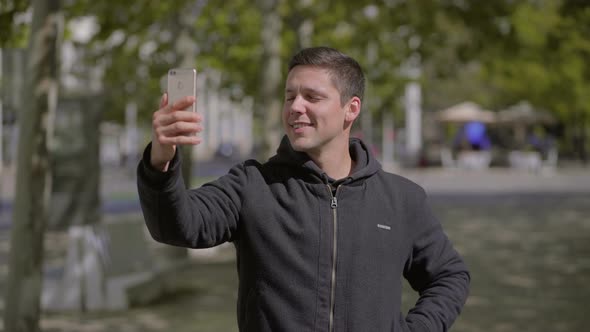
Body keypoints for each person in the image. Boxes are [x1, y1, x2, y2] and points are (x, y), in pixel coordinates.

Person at [137, 46, 470, 331]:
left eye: (312, 97)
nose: (296, 107)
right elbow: (175, 225)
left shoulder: (402, 199)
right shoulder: (252, 186)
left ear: (350, 109)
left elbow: (449, 276)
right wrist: (160, 161)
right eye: (290, 96)